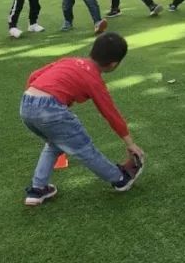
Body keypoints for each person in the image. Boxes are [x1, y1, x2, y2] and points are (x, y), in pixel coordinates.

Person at [20, 32, 145, 205]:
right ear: (113, 64)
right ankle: (119, 179)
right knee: (84, 149)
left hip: (26, 104)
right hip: (50, 109)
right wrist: (130, 143)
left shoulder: (68, 61)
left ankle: (37, 189)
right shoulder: (93, 79)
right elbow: (110, 113)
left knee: (54, 143)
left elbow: (34, 75)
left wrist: (37, 99)